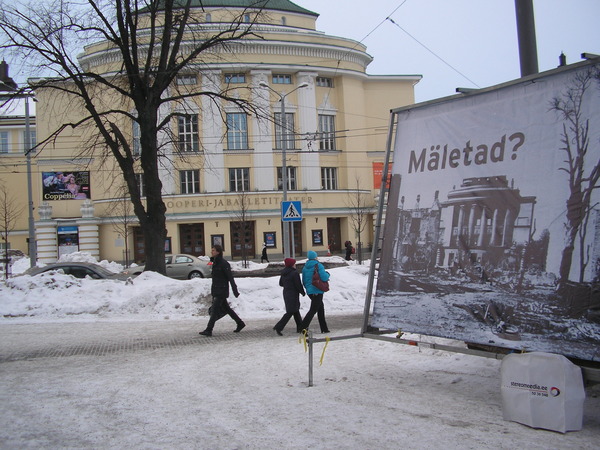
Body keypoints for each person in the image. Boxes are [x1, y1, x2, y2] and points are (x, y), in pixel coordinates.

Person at [199, 245, 245, 336]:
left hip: (222, 290)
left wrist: (235, 290)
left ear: (218, 252)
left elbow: (230, 278)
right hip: (216, 289)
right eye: (211, 250)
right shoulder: (215, 262)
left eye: (213, 250)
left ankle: (209, 329)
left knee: (215, 310)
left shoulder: (224, 263)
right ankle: (240, 323)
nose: (211, 252)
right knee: (227, 308)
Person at [273, 258, 305, 336]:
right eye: (294, 263)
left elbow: (281, 283)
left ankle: (301, 328)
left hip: (286, 292)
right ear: (291, 264)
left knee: (295, 311)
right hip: (293, 293)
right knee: (290, 311)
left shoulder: (284, 272)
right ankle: (279, 327)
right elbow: (298, 284)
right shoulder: (294, 273)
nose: (295, 265)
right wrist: (302, 292)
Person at [300, 250, 330, 333]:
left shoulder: (305, 267)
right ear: (315, 257)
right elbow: (324, 277)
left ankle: (324, 328)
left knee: (320, 308)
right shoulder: (318, 265)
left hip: (310, 291)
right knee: (313, 310)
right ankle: (302, 327)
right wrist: (328, 274)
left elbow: (304, 280)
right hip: (317, 290)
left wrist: (308, 288)